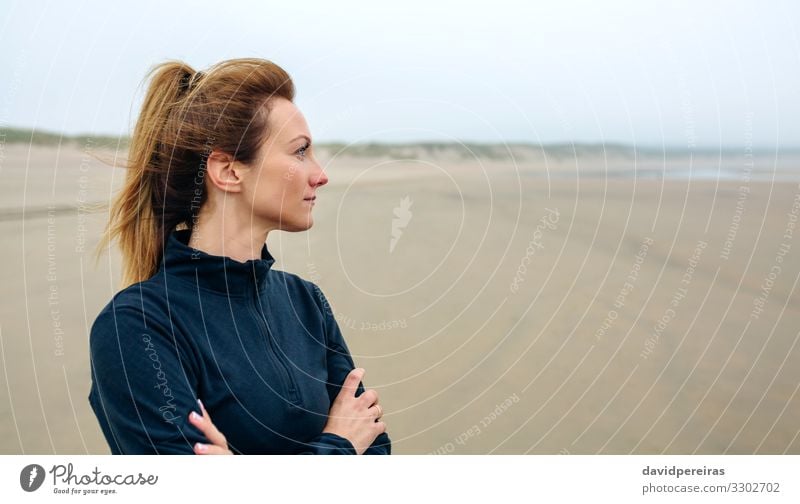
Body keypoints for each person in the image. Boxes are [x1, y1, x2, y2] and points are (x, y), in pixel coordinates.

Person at [88, 58, 391, 455]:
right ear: (229, 171)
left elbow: (377, 450)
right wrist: (338, 446)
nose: (320, 175)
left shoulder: (305, 302)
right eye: (300, 152)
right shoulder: (138, 326)